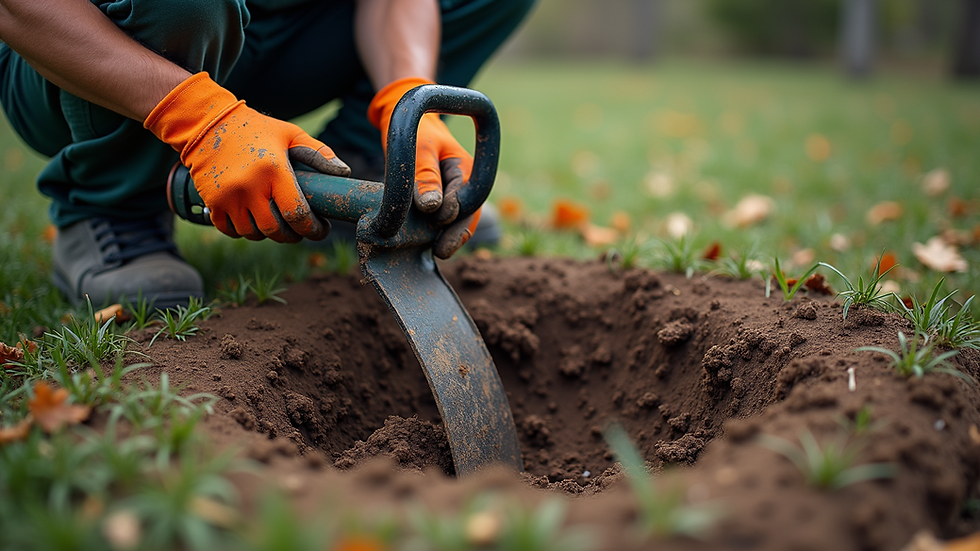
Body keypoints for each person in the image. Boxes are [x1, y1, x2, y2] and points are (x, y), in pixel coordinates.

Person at [0, 0, 534, 309]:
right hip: (85, 47)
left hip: (273, 33)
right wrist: (198, 118)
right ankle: (110, 203)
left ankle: (365, 173)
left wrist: (405, 94)